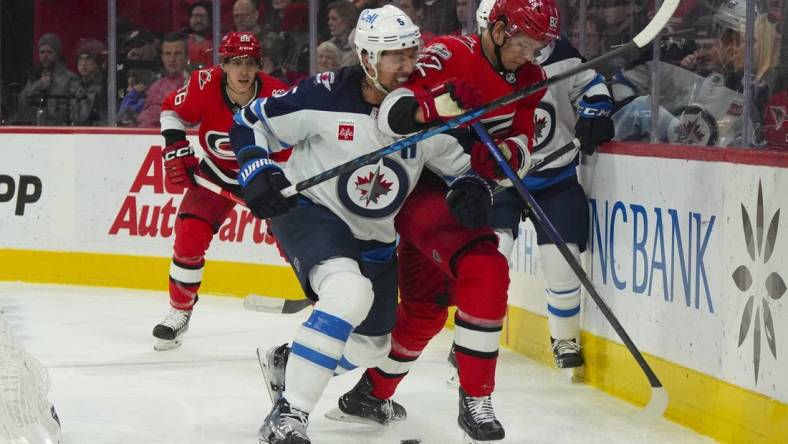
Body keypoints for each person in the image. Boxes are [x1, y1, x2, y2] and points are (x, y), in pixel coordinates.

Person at [229, 6, 489, 443]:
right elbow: (250, 121)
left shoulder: (425, 107)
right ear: (368, 58)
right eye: (396, 57)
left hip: (374, 237)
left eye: (412, 53)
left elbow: (460, 165)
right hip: (312, 212)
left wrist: (472, 186)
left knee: (372, 345)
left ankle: (291, 361)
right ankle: (288, 414)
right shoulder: (324, 94)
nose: (408, 65)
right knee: (349, 293)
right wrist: (256, 168)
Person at [470, 0, 613, 371]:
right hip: (500, 179)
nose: (531, 49)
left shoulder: (561, 55)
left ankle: (564, 338)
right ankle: (474, 338)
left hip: (554, 175)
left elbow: (592, 86)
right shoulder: (476, 62)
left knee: (562, 256)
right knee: (491, 255)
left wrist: (595, 112)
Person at [150, 32, 289, 351]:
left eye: (250, 63)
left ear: (259, 65)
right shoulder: (203, 85)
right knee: (189, 234)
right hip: (215, 175)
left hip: (265, 176)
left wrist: (280, 187)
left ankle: (328, 303)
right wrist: (174, 143)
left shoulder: (277, 95)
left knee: (295, 238)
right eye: (236, 63)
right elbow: (172, 110)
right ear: (223, 65)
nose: (243, 72)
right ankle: (179, 311)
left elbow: (297, 145)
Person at [16, 33, 82, 126]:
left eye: (49, 52)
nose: (45, 56)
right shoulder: (34, 77)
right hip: (36, 133)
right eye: (42, 52)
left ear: (57, 54)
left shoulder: (70, 79)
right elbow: (22, 102)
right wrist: (38, 85)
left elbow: (77, 112)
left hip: (61, 134)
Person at [136, 31, 190, 128]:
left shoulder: (195, 84)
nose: (172, 59)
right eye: (168, 54)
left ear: (186, 56)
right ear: (162, 57)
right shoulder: (155, 85)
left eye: (177, 54)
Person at [73, 38, 107, 126]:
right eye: (80, 59)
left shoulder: (105, 88)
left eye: (88, 59)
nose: (83, 63)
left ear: (98, 62)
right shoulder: (75, 86)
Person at [325, 1, 359, 66]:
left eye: (334, 19)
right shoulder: (327, 46)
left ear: (348, 20)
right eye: (329, 19)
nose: (329, 23)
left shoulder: (359, 47)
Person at [184, 1, 213, 68]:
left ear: (210, 20)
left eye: (202, 16)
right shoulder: (182, 40)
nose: (198, 20)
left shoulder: (216, 42)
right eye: (195, 16)